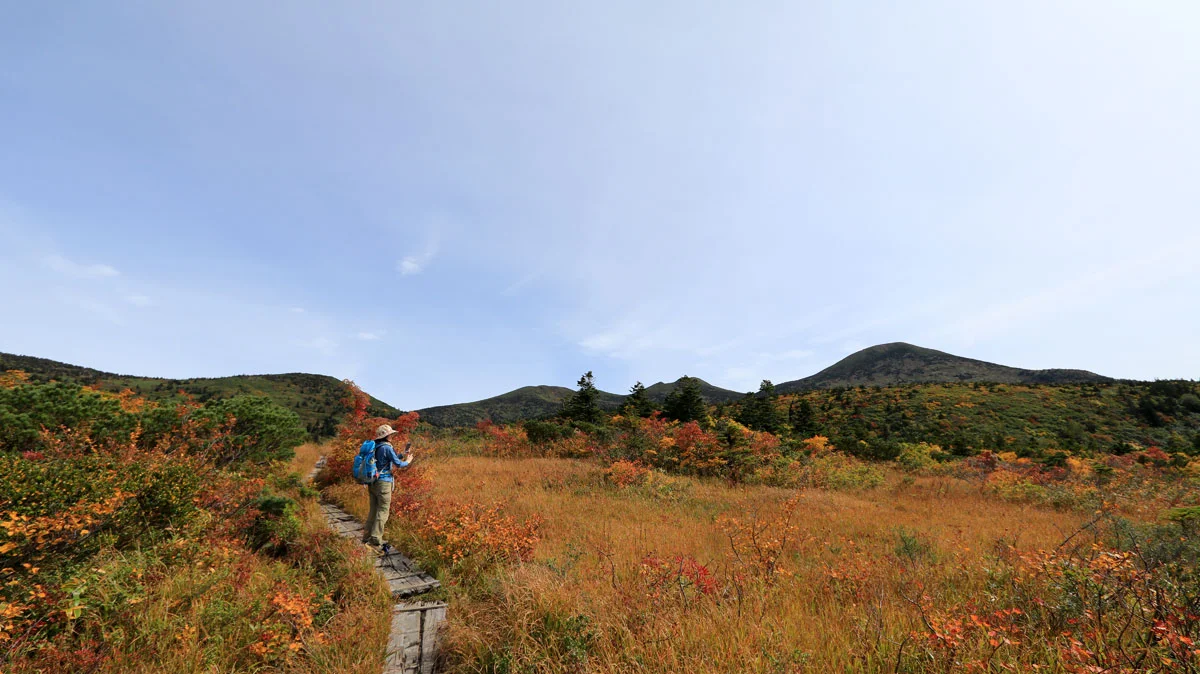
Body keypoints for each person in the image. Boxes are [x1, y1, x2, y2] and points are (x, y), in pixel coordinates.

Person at [363, 424, 413, 552]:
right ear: (386, 436)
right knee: (383, 511)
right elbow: (398, 464)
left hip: (372, 481)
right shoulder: (387, 447)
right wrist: (408, 461)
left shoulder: (375, 446)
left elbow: (388, 459)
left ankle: (366, 537)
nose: (392, 436)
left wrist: (402, 454)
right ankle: (375, 541)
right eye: (390, 434)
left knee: (373, 510)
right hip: (384, 483)